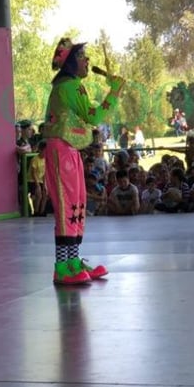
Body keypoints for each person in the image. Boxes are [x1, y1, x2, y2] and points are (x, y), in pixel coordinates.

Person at [43, 38, 125, 285]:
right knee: (68, 206)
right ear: (70, 63)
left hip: (69, 150)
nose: (87, 60)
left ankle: (74, 261)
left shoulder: (71, 85)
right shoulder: (71, 87)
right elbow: (95, 116)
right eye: (82, 56)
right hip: (61, 150)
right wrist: (114, 93)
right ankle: (62, 266)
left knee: (77, 204)